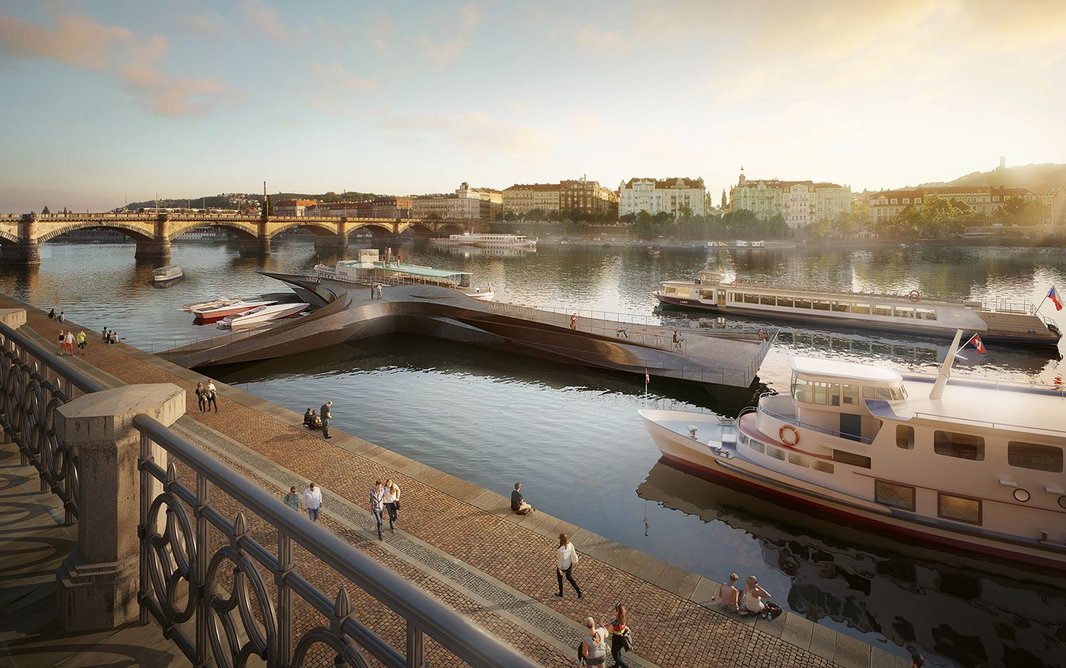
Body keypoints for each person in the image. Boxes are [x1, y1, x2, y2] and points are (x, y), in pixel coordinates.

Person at [556, 533, 582, 599]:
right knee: (570, 578)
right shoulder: (570, 545)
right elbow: (573, 554)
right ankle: (578, 591)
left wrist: (559, 569)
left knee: (560, 580)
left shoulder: (560, 550)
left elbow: (560, 560)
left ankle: (561, 593)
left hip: (562, 567)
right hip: (569, 565)